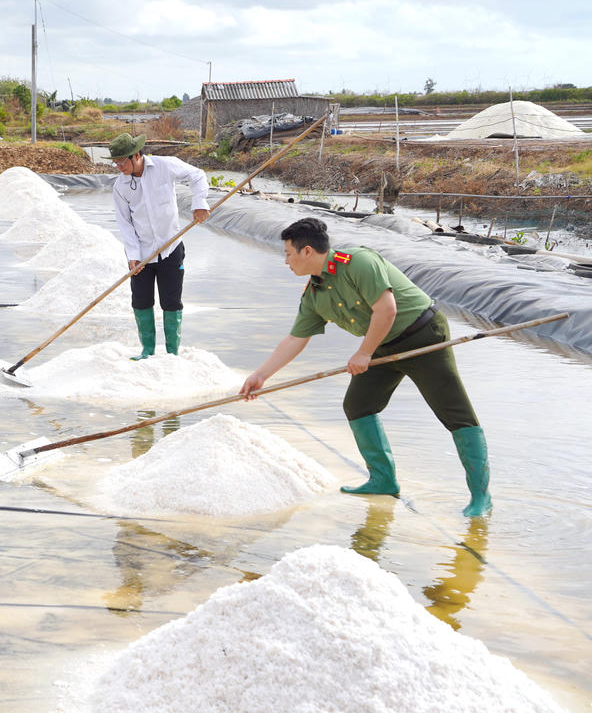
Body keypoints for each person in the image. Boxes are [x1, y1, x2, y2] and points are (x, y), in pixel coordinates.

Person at [239, 217, 491, 517]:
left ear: (307, 251)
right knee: (358, 405)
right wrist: (261, 375)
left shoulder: (358, 262)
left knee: (454, 412)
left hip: (422, 335)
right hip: (382, 345)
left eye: (289, 254)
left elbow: (387, 309)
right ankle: (383, 480)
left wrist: (363, 353)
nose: (286, 261)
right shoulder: (314, 293)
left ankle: (481, 497)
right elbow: (296, 338)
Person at [108, 132, 210, 359]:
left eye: (122, 161)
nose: (119, 166)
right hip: (142, 254)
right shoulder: (120, 186)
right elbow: (125, 224)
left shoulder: (165, 166)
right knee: (141, 300)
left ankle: (172, 353)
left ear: (136, 155)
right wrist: (133, 256)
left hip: (171, 248)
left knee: (171, 301)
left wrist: (199, 203)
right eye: (115, 162)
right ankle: (147, 351)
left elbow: (198, 175)